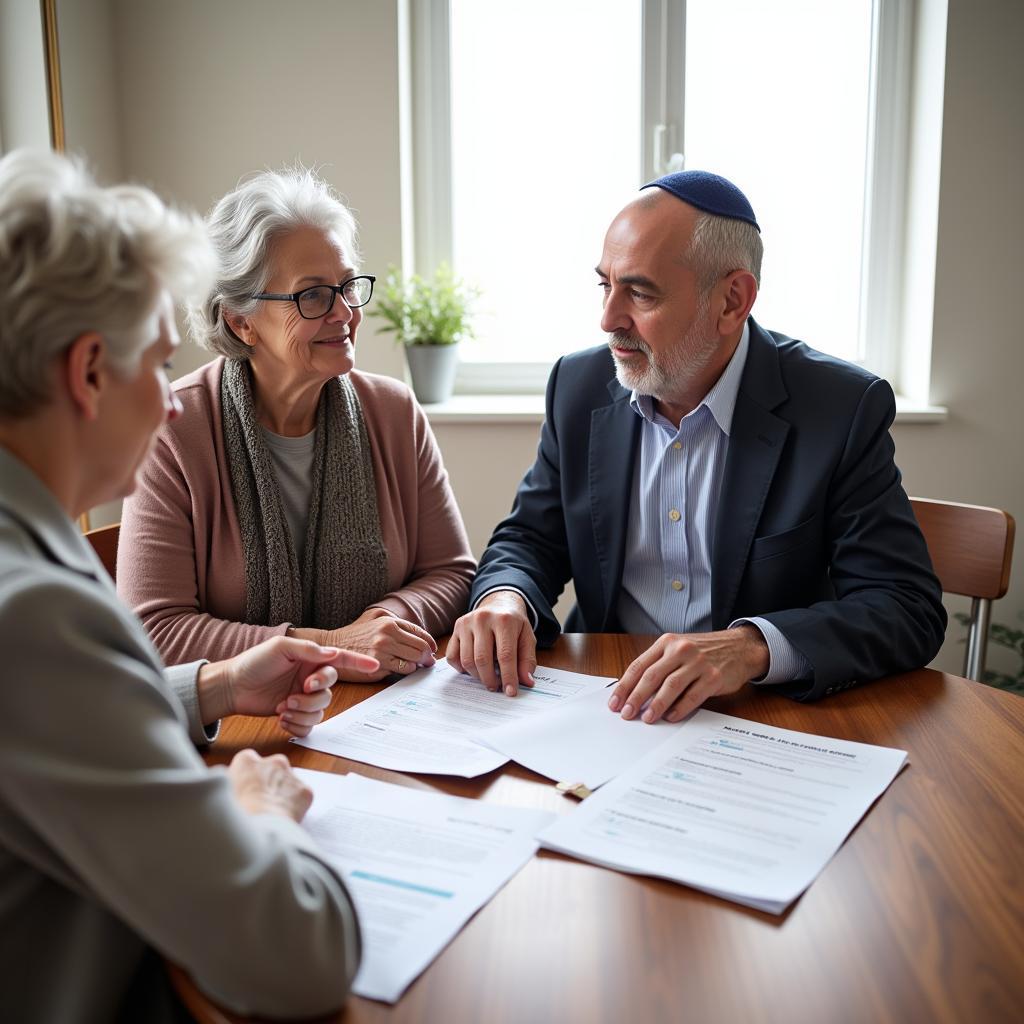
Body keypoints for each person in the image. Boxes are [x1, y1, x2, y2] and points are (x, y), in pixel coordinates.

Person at [0, 148, 377, 1021]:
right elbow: (301, 951)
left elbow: (53, 723)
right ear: (89, 371)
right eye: (158, 362)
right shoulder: (35, 615)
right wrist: (264, 810)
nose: (172, 404)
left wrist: (212, 685)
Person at [448, 170, 946, 722]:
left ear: (733, 300)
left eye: (639, 292)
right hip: (601, 704)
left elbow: (906, 608)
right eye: (604, 285)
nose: (608, 318)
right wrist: (505, 598)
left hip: (760, 715)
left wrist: (751, 647)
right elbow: (529, 540)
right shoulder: (578, 385)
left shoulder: (839, 408)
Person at [117, 168, 475, 678]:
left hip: (380, 705)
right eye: (312, 295)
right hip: (244, 724)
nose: (345, 312)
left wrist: (385, 621)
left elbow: (452, 573)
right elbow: (156, 630)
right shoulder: (174, 428)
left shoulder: (394, 412)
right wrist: (330, 646)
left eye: (348, 286)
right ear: (241, 321)